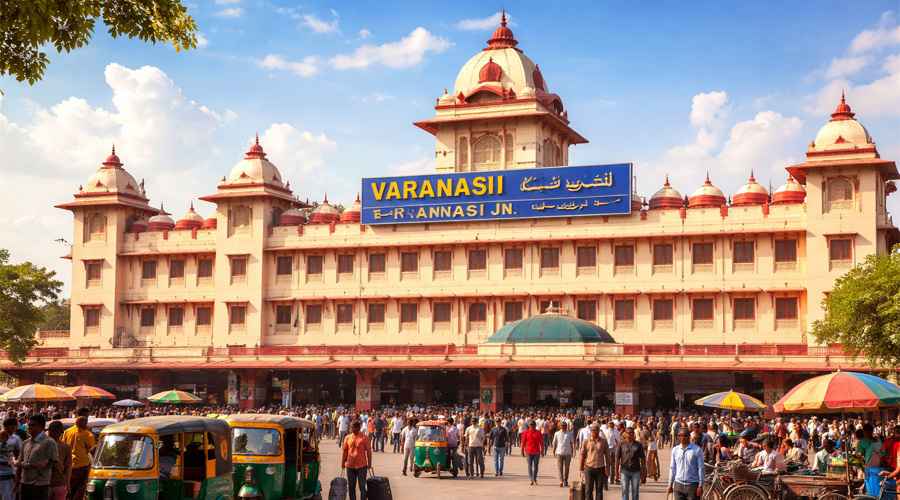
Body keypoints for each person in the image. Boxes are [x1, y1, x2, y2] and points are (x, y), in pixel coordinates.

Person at [19, 414, 59, 500]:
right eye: (29, 425)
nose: (29, 427)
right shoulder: (25, 443)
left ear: (41, 427)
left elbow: (53, 463)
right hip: (24, 483)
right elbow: (20, 462)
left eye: (32, 425)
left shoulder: (49, 442)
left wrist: (30, 465)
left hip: (40, 484)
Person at [61, 412, 94, 500]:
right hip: (82, 465)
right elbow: (91, 449)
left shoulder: (67, 432)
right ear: (85, 423)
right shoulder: (88, 434)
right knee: (81, 488)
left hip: (69, 465)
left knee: (69, 488)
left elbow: (63, 445)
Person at [667, 429, 703, 500]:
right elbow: (672, 468)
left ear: (689, 437)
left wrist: (700, 485)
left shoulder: (697, 450)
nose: (682, 438)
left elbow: (701, 468)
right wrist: (670, 484)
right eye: (680, 435)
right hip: (678, 485)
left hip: (692, 485)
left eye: (685, 436)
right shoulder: (675, 450)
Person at [341, 420, 372, 500]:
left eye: (352, 427)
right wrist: (342, 463)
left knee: (362, 487)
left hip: (362, 466)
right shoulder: (347, 437)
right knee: (351, 487)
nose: (351, 429)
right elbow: (345, 451)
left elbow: (369, 451)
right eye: (351, 427)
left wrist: (369, 464)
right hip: (350, 466)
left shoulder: (364, 438)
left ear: (358, 428)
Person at [579, 423, 610, 500]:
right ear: (591, 431)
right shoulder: (586, 441)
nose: (594, 432)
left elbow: (607, 456)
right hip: (589, 468)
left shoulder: (603, 441)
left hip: (600, 468)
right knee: (588, 490)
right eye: (593, 430)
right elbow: (582, 455)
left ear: (599, 431)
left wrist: (607, 468)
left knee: (599, 490)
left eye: (596, 430)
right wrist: (581, 469)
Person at [617, 427, 645, 500]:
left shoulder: (638, 445)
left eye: (632, 433)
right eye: (628, 433)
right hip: (624, 471)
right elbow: (617, 459)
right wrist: (616, 472)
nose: (630, 434)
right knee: (624, 491)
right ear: (625, 434)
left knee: (635, 492)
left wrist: (643, 473)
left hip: (636, 471)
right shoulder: (621, 444)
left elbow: (643, 459)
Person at [48, 421, 71, 500]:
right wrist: (67, 484)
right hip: (59, 484)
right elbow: (68, 467)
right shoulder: (66, 447)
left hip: (47, 484)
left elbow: (68, 467)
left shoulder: (42, 445)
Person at [0, 417, 22, 500]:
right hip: (2, 470)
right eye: (13, 426)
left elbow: (19, 454)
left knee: (9, 494)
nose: (15, 428)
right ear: (6, 426)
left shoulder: (16, 438)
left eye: (15, 426)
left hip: (10, 471)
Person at [551, 421, 574, 487]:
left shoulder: (569, 434)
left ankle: (565, 480)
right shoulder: (557, 433)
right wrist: (553, 450)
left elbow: (571, 443)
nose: (563, 427)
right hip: (559, 452)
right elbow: (554, 442)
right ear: (560, 426)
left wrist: (572, 451)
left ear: (566, 426)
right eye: (562, 426)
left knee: (567, 468)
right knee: (560, 468)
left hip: (568, 453)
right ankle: (561, 481)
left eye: (565, 426)